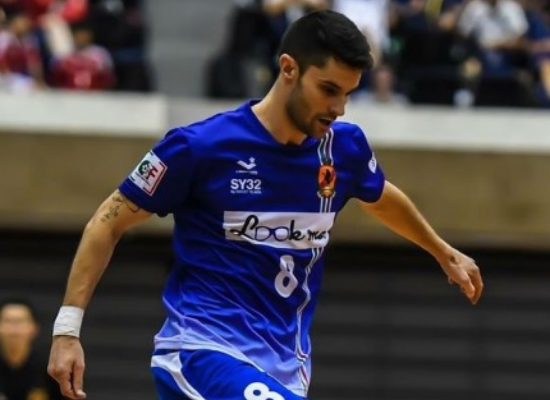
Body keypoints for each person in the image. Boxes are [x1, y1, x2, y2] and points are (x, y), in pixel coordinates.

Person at [47, 9, 484, 400]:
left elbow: (380, 195)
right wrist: (67, 331)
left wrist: (441, 251)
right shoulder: (199, 146)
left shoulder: (343, 149)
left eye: (348, 94)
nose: (338, 108)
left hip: (286, 367)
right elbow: (106, 222)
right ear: (289, 68)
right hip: (202, 351)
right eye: (328, 89)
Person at [0, 298, 52, 400]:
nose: (14, 329)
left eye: (20, 322)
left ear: (34, 327)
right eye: (8, 321)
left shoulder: (50, 368)